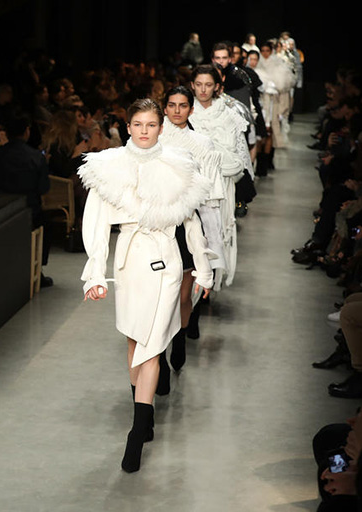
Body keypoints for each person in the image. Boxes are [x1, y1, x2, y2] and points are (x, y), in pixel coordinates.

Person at [79, 98, 213, 472]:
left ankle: (136, 432)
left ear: (160, 128)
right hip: (128, 261)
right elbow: (95, 224)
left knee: (151, 348)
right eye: (137, 124)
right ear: (127, 126)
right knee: (134, 339)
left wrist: (202, 269)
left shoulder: (179, 167)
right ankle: (146, 409)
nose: (143, 131)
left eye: (150, 125)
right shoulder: (107, 168)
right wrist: (94, 273)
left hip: (166, 261)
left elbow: (192, 225)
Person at [158, 86, 226, 376]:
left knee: (183, 295)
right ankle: (158, 354)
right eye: (171, 105)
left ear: (191, 109)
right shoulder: (151, 137)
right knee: (159, 294)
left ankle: (180, 338)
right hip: (157, 223)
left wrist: (211, 232)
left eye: (182, 105)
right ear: (164, 108)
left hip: (187, 222)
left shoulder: (203, 144)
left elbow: (209, 192)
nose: (176, 110)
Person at [188, 65, 251, 289]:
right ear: (192, 85)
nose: (203, 89)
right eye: (198, 84)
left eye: (208, 85)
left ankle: (210, 279)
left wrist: (212, 158)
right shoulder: (185, 113)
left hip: (222, 184)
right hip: (191, 183)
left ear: (217, 86)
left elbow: (238, 158)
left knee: (217, 231)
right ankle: (195, 278)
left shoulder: (230, 115)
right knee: (194, 231)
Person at [0, 114, 53, 287]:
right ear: (26, 132)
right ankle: (37, 270)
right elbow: (43, 188)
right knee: (45, 223)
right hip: (29, 210)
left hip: (0, 211)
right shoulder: (36, 157)